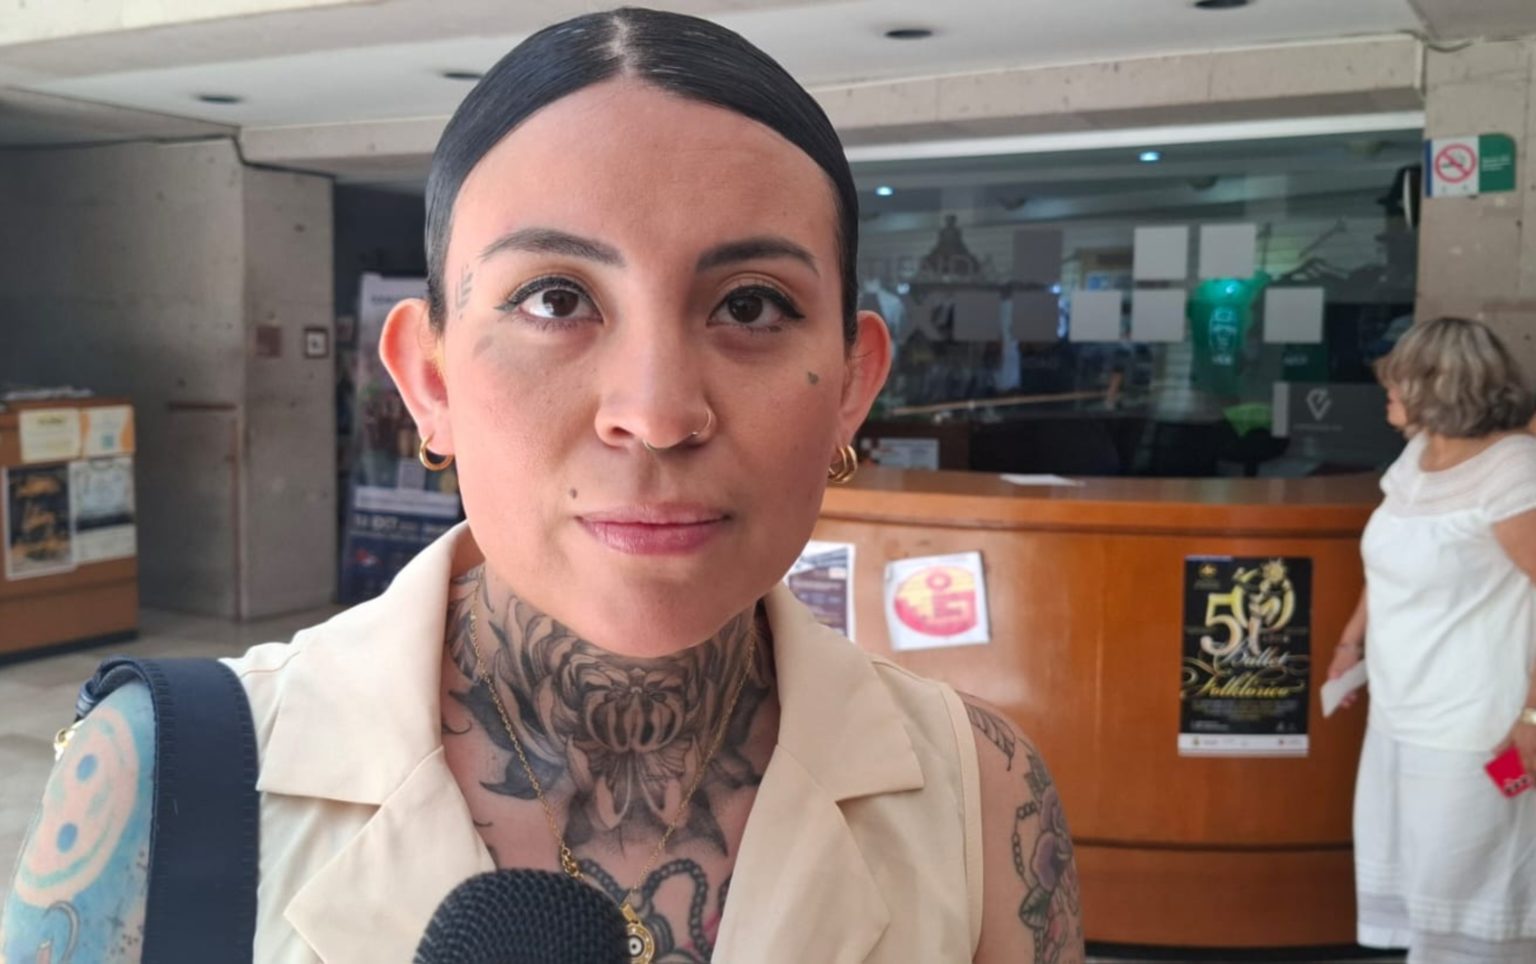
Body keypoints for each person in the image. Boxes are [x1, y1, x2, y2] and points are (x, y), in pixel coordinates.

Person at [1, 9, 1084, 963]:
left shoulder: (979, 799)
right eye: (556, 299)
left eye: (751, 306)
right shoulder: (165, 777)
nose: (656, 413)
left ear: (850, 386)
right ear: (429, 382)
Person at [1328, 316, 1536, 962]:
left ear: (1440, 384)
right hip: (1399, 714)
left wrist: (1533, 718)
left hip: (1474, 727)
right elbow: (1390, 554)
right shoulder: (1418, 456)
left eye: (1398, 379)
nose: (1386, 390)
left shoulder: (1513, 473)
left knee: (1467, 903)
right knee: (1421, 893)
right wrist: (1350, 643)